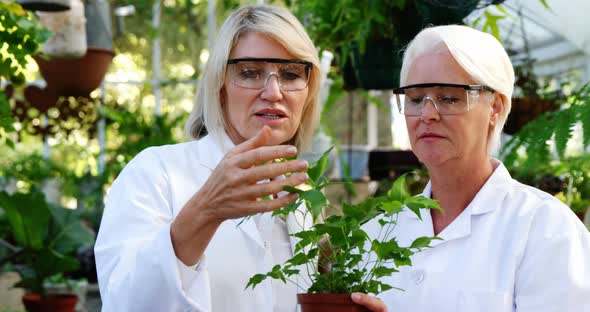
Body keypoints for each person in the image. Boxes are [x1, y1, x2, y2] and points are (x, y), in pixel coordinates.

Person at [95, 5, 385, 312]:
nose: (273, 92)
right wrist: (205, 210)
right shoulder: (155, 173)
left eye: (290, 74)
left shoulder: (302, 202)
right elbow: (124, 303)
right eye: (250, 72)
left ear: (308, 92)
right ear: (219, 84)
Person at [365, 25, 590, 312]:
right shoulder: (376, 235)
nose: (427, 114)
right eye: (415, 98)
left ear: (495, 107)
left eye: (449, 98)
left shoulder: (545, 230)